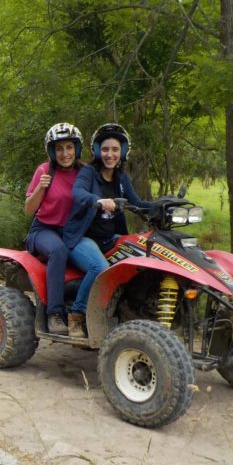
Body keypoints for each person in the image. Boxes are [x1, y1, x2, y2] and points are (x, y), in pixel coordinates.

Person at [62, 123, 151, 335]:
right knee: (99, 267)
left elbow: (137, 203)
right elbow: (78, 192)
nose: (109, 154)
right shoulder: (88, 173)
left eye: (114, 149)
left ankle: (127, 313)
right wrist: (98, 200)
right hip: (81, 238)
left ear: (122, 152)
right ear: (96, 151)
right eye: (105, 149)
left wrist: (164, 205)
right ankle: (76, 316)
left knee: (142, 257)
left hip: (109, 238)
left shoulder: (121, 179)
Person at [24, 123, 85, 336]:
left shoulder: (84, 172)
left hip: (72, 231)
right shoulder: (44, 170)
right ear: (52, 151)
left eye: (69, 147)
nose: (65, 153)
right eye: (59, 148)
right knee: (58, 250)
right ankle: (54, 314)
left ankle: (84, 313)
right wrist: (41, 187)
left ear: (76, 148)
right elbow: (28, 209)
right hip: (43, 230)